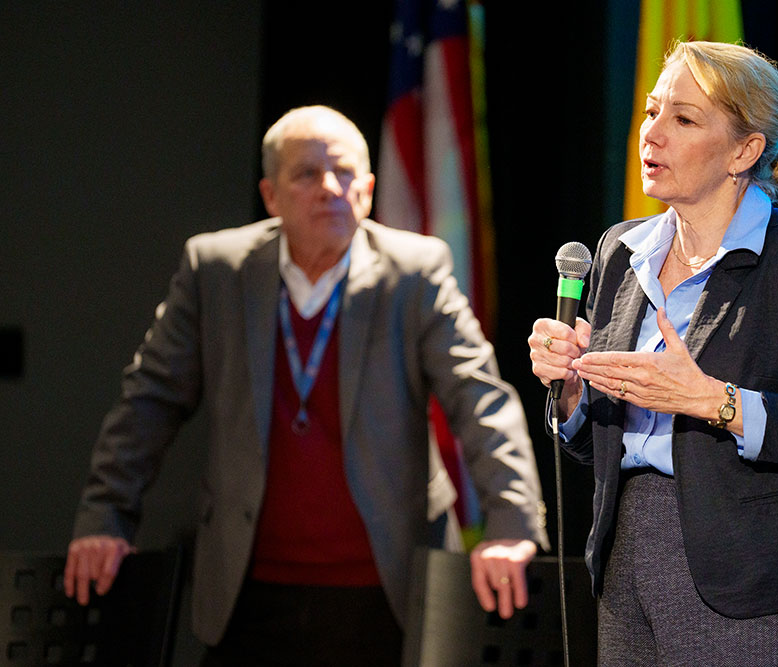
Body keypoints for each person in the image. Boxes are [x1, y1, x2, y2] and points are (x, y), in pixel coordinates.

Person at [65, 105, 549, 665]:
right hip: (248, 589)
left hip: (385, 589)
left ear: (367, 192)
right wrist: (105, 517)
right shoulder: (216, 269)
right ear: (270, 196)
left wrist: (512, 524)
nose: (330, 188)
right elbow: (148, 402)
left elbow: (478, 399)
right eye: (307, 174)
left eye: (344, 174)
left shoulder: (415, 273)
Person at [529, 40, 778, 665]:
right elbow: (600, 443)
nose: (653, 134)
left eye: (684, 119)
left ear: (745, 151)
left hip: (751, 578)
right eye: (650, 112)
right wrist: (573, 392)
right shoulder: (621, 249)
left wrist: (716, 402)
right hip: (624, 565)